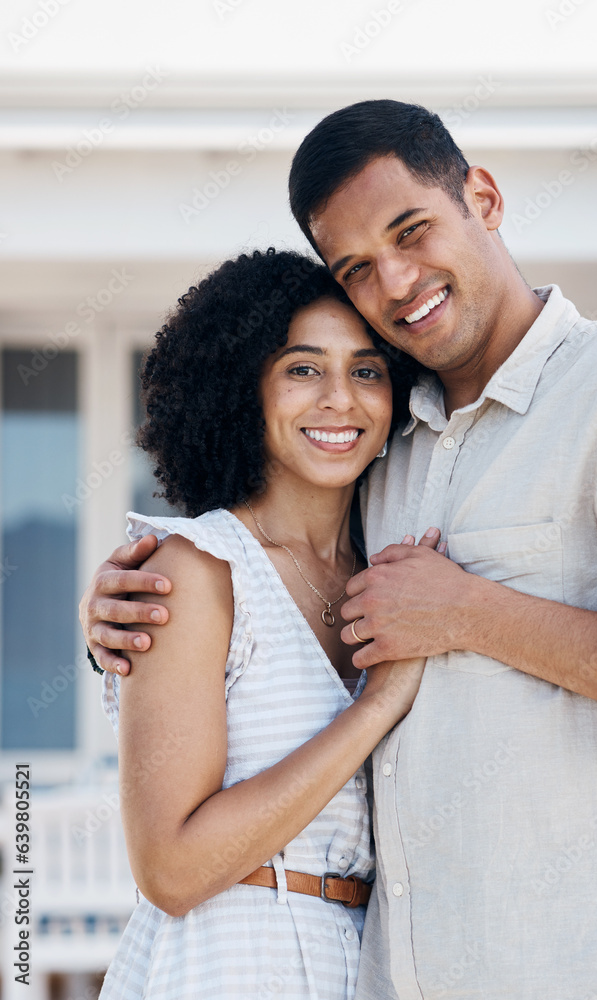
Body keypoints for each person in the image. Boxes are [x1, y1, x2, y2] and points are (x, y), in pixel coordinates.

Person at [82, 101, 597, 999]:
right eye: (357, 268)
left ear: (484, 198)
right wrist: (127, 611)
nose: (396, 280)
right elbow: (265, 584)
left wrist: (470, 613)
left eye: (412, 230)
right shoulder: (389, 452)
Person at [94, 247, 435, 1000]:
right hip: (229, 959)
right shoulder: (198, 571)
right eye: (303, 369)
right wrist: (378, 704)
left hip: (369, 958)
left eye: (368, 370)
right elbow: (172, 872)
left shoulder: (394, 571)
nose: (340, 400)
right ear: (241, 390)